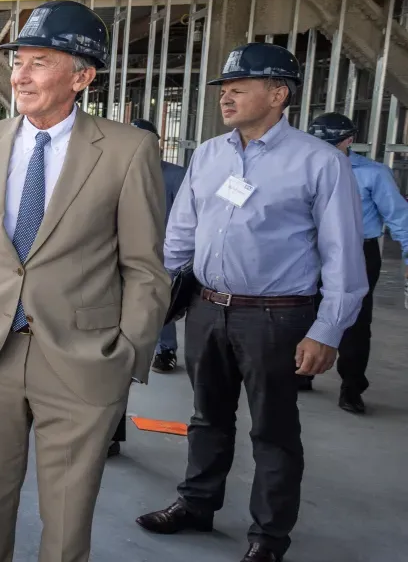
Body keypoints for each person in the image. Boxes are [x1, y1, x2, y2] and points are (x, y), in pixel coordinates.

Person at [0, 0, 168, 562]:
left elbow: (144, 267)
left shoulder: (124, 150)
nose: (21, 73)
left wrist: (127, 353)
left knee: (67, 524)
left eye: (40, 61)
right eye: (19, 61)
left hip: (81, 360)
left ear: (82, 75)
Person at [136, 43, 368, 562]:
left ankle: (269, 535)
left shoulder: (320, 162)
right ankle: (196, 504)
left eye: (241, 87)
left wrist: (327, 330)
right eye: (225, 88)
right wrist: (160, 291)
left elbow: (342, 257)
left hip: (278, 316)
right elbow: (182, 233)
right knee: (206, 416)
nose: (227, 96)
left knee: (274, 428)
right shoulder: (210, 155)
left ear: (279, 93)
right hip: (207, 307)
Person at [304, 112, 408, 414]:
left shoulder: (373, 174)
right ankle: (303, 373)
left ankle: (351, 386)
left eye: (332, 144)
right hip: (310, 249)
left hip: (357, 251)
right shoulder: (303, 168)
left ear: (349, 141)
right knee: (302, 310)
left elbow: (399, 218)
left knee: (355, 320)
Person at [107, 118, 187, 459]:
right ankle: (109, 432)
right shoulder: (108, 170)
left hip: (157, 264)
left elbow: (186, 220)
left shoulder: (175, 175)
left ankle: (164, 349)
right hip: (110, 267)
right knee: (111, 362)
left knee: (150, 324)